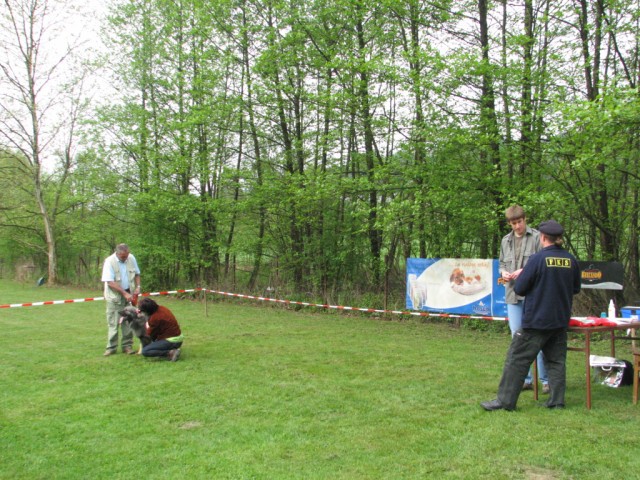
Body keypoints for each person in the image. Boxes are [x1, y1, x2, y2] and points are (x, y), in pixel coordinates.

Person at [481, 220, 581, 411]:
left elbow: (520, 287)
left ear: (543, 237)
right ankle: (556, 401)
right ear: (558, 238)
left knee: (517, 358)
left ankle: (505, 401)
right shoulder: (571, 260)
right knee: (556, 361)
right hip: (560, 321)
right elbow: (575, 288)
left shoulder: (537, 260)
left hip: (536, 321)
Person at [499, 205, 549, 393]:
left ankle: (546, 380)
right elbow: (502, 262)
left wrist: (525, 272)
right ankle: (524, 379)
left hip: (533, 295)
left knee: (538, 337)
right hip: (512, 294)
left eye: (520, 222)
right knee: (517, 338)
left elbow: (543, 263)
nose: (517, 226)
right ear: (509, 224)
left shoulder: (537, 237)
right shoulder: (506, 241)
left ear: (525, 219)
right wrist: (503, 271)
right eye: (514, 223)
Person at [101, 243, 141, 356]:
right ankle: (111, 348)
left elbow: (137, 274)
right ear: (117, 253)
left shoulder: (131, 258)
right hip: (115, 298)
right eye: (123, 256)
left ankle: (127, 346)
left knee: (129, 321)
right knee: (113, 323)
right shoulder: (109, 262)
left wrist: (138, 287)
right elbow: (109, 282)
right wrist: (124, 293)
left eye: (127, 255)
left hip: (130, 295)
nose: (126, 258)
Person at [138, 297, 183, 361]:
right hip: (178, 337)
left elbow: (150, 335)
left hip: (172, 340)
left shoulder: (154, 318)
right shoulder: (162, 308)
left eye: (142, 310)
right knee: (154, 344)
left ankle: (170, 353)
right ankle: (173, 348)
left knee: (145, 351)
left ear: (147, 310)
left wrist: (146, 324)